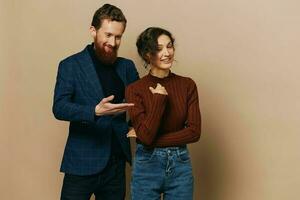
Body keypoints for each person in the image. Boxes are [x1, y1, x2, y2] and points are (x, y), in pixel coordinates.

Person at [52, 4, 139, 200]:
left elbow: (140, 104)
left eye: (118, 37)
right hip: (81, 161)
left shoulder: (126, 66)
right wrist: (94, 111)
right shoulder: (70, 65)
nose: (113, 42)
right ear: (93, 31)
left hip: (116, 163)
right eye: (108, 35)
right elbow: (59, 107)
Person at [125, 27, 201, 200]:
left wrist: (148, 139)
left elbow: (194, 132)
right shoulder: (134, 90)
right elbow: (146, 136)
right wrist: (159, 99)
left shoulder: (187, 85)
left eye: (169, 46)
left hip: (180, 164)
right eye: (158, 49)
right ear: (147, 54)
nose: (167, 53)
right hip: (146, 165)